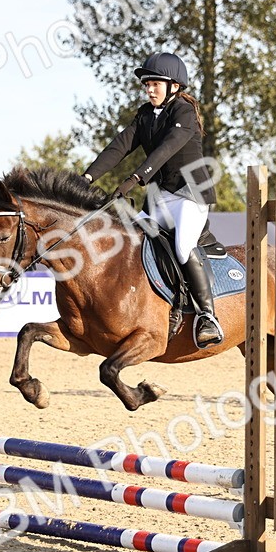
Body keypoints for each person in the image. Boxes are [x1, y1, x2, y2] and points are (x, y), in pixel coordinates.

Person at [82, 52, 223, 349]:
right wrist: (86, 178)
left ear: (174, 86)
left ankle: (207, 316)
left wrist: (135, 178)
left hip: (190, 194)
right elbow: (119, 146)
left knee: (182, 246)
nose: (149, 89)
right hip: (160, 198)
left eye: (155, 84)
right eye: (147, 84)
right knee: (132, 243)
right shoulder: (145, 115)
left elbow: (167, 149)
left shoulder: (184, 112)